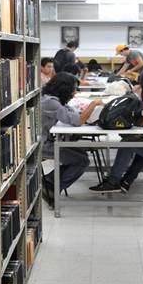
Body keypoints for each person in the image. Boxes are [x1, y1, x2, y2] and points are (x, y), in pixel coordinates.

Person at [90, 65, 143, 193]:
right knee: (140, 143)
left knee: (128, 143)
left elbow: (142, 122)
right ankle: (126, 181)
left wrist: (137, 95)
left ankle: (113, 181)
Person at [41, 72, 104, 207]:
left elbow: (73, 113)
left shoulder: (53, 99)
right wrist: (93, 104)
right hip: (42, 145)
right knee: (82, 161)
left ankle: (48, 181)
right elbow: (79, 120)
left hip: (48, 140)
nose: (74, 93)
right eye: (73, 89)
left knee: (80, 154)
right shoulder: (51, 102)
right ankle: (52, 189)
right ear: (64, 88)